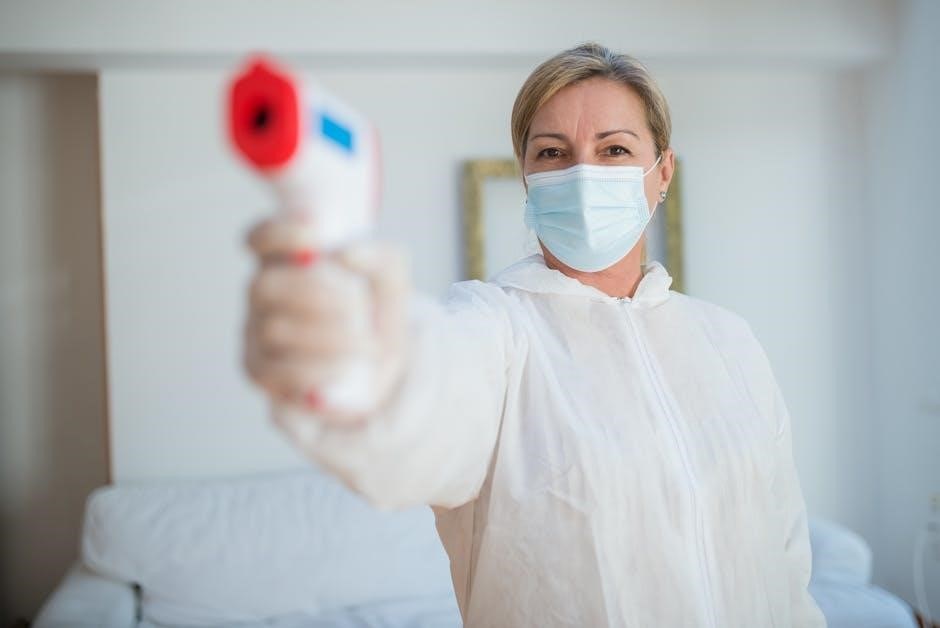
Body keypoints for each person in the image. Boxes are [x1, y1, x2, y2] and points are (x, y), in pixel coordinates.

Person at [243, 42, 827, 627]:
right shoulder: (494, 329)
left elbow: (785, 560)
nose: (582, 173)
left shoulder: (729, 343)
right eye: (552, 152)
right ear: (525, 177)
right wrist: (360, 356)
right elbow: (418, 410)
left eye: (615, 149)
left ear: (663, 173)